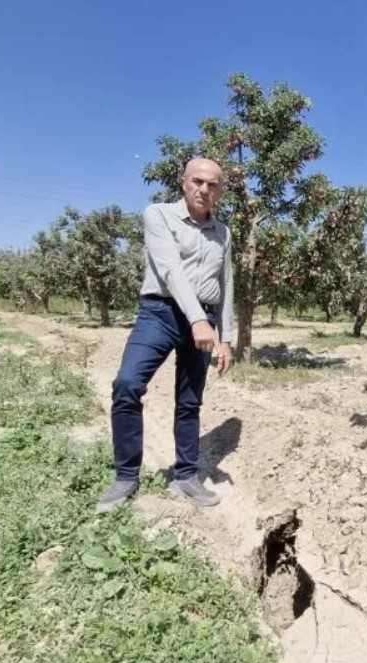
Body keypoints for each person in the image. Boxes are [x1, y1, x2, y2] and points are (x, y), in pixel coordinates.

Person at [96, 157, 235, 512]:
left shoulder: (223, 232)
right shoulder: (158, 215)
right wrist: (197, 322)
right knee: (127, 384)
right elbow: (170, 270)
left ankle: (186, 475)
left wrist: (227, 336)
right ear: (183, 182)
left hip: (202, 317)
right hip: (159, 314)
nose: (204, 189)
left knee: (189, 401)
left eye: (212, 184)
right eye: (197, 181)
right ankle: (126, 476)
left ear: (220, 190)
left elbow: (226, 283)